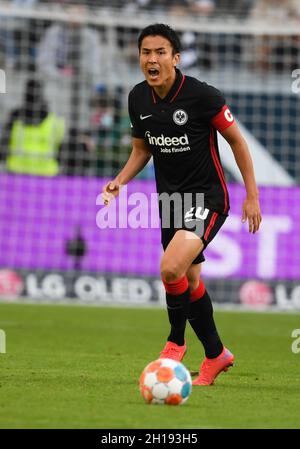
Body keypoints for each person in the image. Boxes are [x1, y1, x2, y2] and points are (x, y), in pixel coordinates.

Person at [102, 24, 262, 386]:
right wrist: (119, 181)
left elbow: (237, 142)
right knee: (189, 281)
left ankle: (175, 343)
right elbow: (141, 150)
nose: (152, 59)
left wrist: (251, 195)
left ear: (175, 58)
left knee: (171, 269)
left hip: (207, 197)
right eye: (146, 52)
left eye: (160, 52)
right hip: (171, 201)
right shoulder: (137, 98)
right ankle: (217, 354)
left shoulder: (202, 96)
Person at [1, 78, 65, 176]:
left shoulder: (14, 117)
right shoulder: (55, 121)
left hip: (18, 173)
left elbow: (4, 146)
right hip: (44, 174)